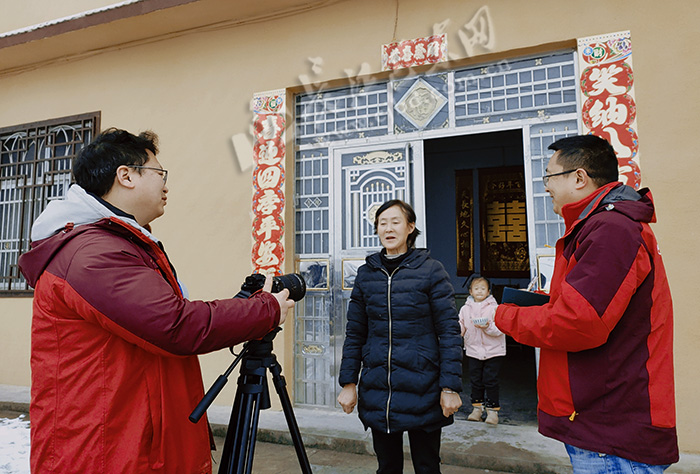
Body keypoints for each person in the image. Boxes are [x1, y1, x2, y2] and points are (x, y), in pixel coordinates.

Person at [18, 128, 295, 473]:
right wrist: (266, 309)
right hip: (107, 451)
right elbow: (174, 325)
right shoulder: (93, 253)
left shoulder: (118, 243)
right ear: (126, 176)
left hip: (130, 439)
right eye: (159, 173)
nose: (166, 185)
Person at [494, 135, 678, 472]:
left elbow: (578, 323)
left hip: (612, 428)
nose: (545, 186)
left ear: (579, 178)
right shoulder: (599, 226)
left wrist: (505, 316)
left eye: (549, 176)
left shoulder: (611, 230)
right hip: (601, 420)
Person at [337, 199, 463, 474]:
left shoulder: (431, 270)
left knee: (427, 467)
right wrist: (348, 382)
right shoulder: (366, 274)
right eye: (383, 223)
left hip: (424, 386)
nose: (389, 228)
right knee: (387, 467)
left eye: (396, 222)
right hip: (378, 389)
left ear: (410, 227)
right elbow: (355, 332)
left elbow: (449, 331)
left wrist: (449, 387)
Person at [458, 274, 505, 425]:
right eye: (476, 288)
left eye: (483, 288)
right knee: (476, 381)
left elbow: (500, 329)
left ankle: (492, 412)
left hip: (493, 351)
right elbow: (461, 326)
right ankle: (477, 409)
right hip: (473, 351)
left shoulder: (495, 308)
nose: (479, 291)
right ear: (470, 291)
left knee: (491, 381)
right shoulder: (465, 309)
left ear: (489, 292)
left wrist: (487, 327)